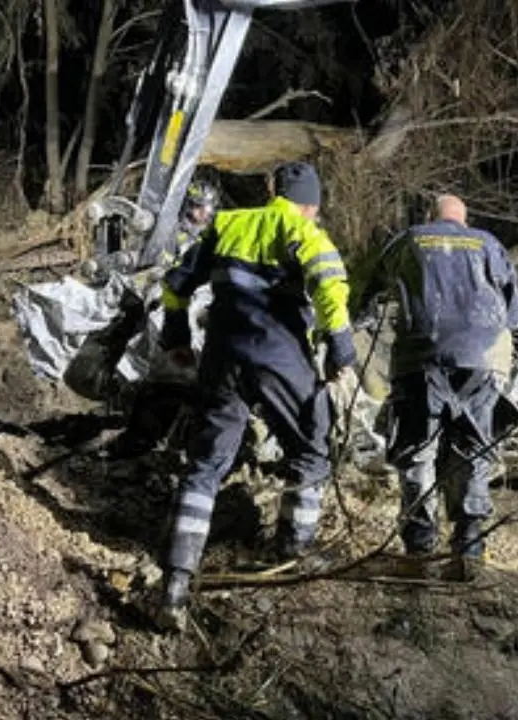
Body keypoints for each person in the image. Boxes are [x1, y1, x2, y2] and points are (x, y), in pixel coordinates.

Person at [155, 161, 356, 629]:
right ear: (312, 204)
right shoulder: (301, 230)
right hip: (278, 352)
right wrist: (341, 353)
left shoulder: (227, 224)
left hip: (223, 354)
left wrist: (176, 337)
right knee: (311, 446)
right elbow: (330, 288)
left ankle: (177, 582)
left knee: (206, 462)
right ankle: (294, 554)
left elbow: (176, 284)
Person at [382, 194, 518, 558]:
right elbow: (515, 317)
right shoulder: (489, 244)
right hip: (483, 359)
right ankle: (470, 544)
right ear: (465, 218)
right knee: (475, 446)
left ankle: (419, 546)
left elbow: (364, 290)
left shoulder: (411, 239)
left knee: (418, 449)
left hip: (421, 358)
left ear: (431, 216)